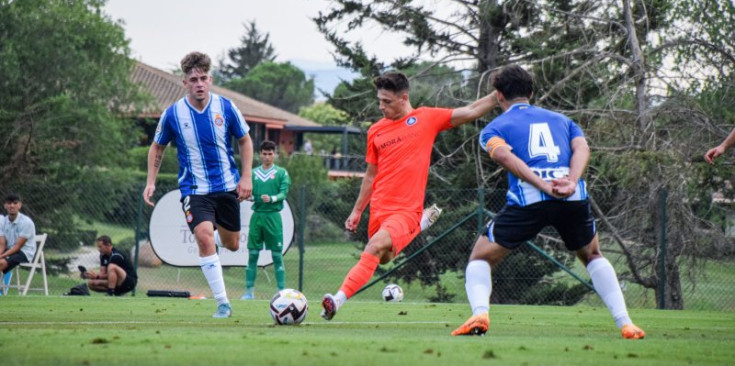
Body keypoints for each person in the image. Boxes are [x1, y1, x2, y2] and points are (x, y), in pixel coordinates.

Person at [451, 65, 645, 340]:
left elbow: (506, 157)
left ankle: (480, 313)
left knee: (480, 257)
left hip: (530, 199)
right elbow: (582, 148)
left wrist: (542, 185)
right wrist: (571, 180)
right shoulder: (563, 120)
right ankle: (626, 323)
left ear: (499, 96)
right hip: (572, 195)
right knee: (592, 255)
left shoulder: (494, 128)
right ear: (530, 92)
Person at [321, 72, 500, 320]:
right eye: (379, 101)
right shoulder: (375, 131)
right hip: (379, 210)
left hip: (405, 210)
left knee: (374, 247)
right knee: (383, 257)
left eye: (387, 102)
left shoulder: (426, 118)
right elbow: (371, 176)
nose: (381, 106)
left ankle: (336, 301)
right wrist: (357, 211)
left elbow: (470, 111)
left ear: (404, 97)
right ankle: (421, 224)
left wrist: (498, 93)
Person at [143, 51, 253, 318]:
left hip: (226, 187)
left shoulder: (226, 107)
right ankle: (223, 303)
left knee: (233, 244)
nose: (199, 84)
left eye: (203, 78)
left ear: (211, 79)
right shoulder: (173, 114)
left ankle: (216, 233)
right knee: (203, 238)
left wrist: (246, 176)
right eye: (193, 79)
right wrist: (150, 182)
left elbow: (245, 141)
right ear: (185, 83)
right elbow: (157, 147)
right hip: (194, 190)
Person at [241, 140, 291, 300]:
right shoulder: (253, 173)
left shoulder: (282, 173)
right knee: (253, 254)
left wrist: (272, 198)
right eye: (264, 153)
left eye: (270, 154)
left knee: (277, 255)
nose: (267, 157)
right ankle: (249, 291)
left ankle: (281, 292)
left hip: (273, 217)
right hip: (258, 217)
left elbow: (284, 193)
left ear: (275, 154)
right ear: (259, 154)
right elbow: (248, 192)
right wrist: (245, 197)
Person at [0, 193, 37, 285]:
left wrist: (1, 256)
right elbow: (2, 244)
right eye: (9, 203)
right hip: (9, 250)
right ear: (5, 206)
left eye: (15, 203)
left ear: (19, 205)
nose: (12, 206)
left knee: (1, 263)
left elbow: (17, 247)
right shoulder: (3, 221)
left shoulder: (26, 222)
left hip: (24, 252)